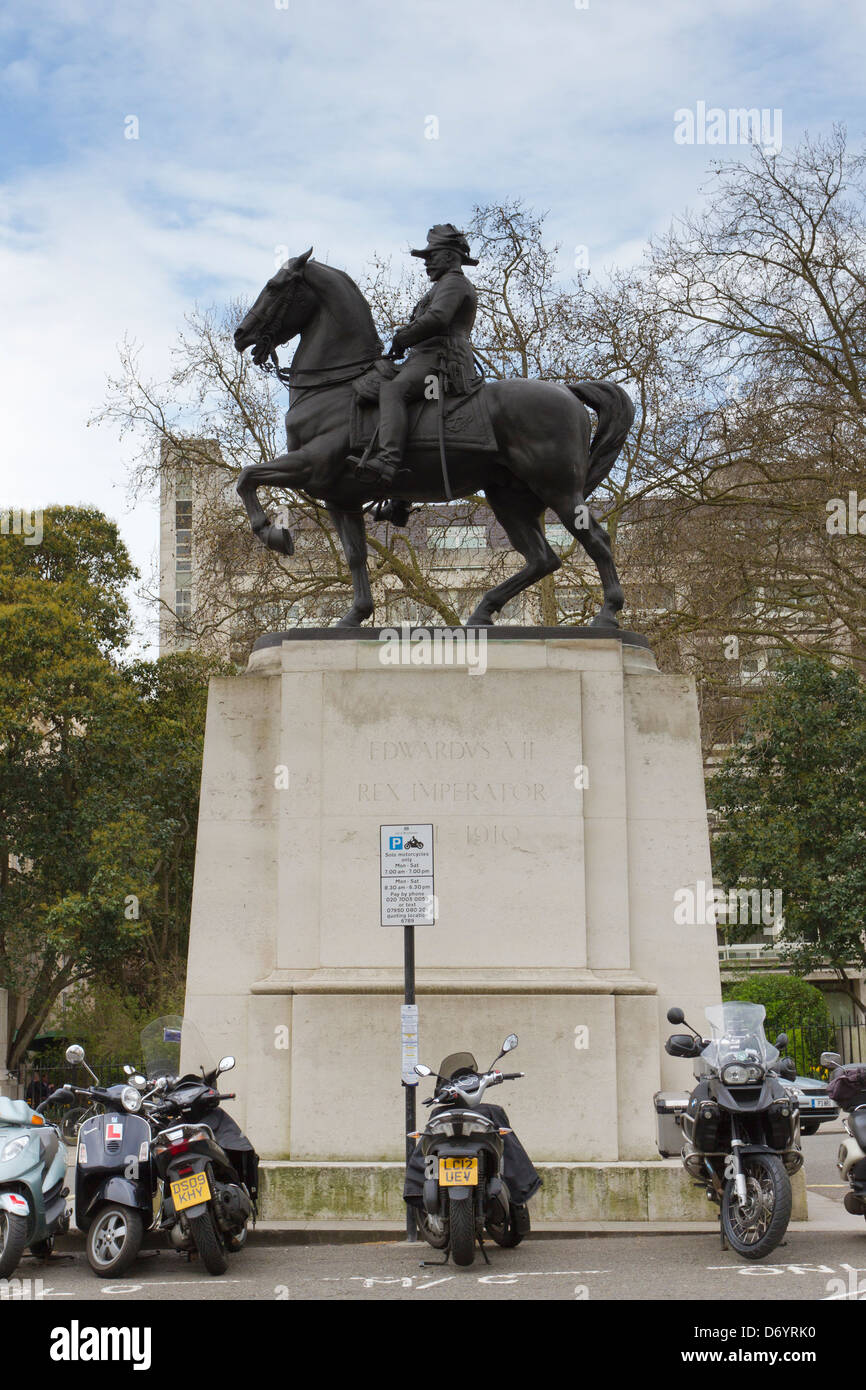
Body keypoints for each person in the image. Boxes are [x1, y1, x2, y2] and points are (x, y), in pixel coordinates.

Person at [356, 224, 479, 490]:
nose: (427, 263)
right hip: (424, 357)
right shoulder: (441, 285)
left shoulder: (454, 282)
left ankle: (388, 462)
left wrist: (403, 336)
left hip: (442, 359)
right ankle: (400, 496)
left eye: (431, 256)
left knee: (393, 391)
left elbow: (438, 318)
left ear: (448, 255)